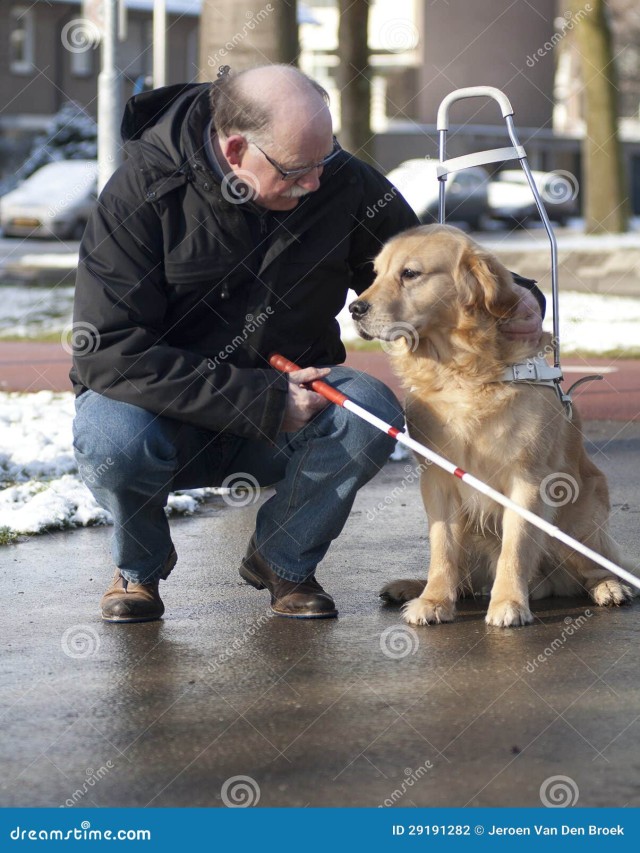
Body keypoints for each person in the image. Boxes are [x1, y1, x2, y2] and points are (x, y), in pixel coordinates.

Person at [71, 64, 544, 624]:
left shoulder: (339, 179)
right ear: (236, 150)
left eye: (326, 160)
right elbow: (107, 351)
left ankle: (283, 561)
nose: (316, 182)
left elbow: (428, 263)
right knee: (109, 436)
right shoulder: (141, 193)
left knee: (369, 410)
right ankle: (139, 570)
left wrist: (517, 296)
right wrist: (264, 399)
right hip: (166, 417)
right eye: (298, 171)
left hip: (294, 407)